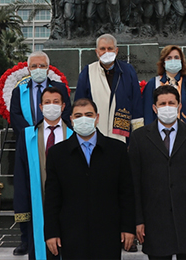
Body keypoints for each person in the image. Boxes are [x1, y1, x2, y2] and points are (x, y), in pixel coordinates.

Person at [129, 85, 186, 260]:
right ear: (154, 108)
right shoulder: (139, 137)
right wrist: (137, 220)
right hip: (155, 222)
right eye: (162, 104)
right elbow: (134, 183)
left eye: (171, 103)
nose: (167, 107)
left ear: (179, 106)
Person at [43, 98, 135, 260]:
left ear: (97, 118)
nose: (83, 119)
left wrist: (128, 228)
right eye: (78, 115)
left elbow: (126, 193)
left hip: (108, 232)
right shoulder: (58, 154)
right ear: (71, 119)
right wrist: (51, 232)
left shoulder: (117, 150)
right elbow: (52, 197)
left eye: (88, 114)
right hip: (71, 234)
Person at [9, 51, 71, 256]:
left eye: (42, 65)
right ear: (28, 69)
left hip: (57, 139)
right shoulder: (20, 90)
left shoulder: (60, 89)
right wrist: (31, 134)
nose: (38, 69)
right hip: (30, 144)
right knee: (30, 194)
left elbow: (69, 114)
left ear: (48, 67)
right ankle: (27, 240)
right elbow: (15, 115)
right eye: (34, 66)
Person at [74, 33, 144, 143]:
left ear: (116, 51)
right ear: (97, 52)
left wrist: (138, 137)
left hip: (122, 136)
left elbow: (136, 104)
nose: (106, 52)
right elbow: (79, 103)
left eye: (110, 48)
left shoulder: (128, 71)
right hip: (94, 135)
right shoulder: (88, 72)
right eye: (102, 49)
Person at [142, 45, 186, 126]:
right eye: (169, 58)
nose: (173, 60)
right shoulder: (153, 84)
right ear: (163, 63)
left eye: (176, 57)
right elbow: (148, 113)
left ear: (181, 61)